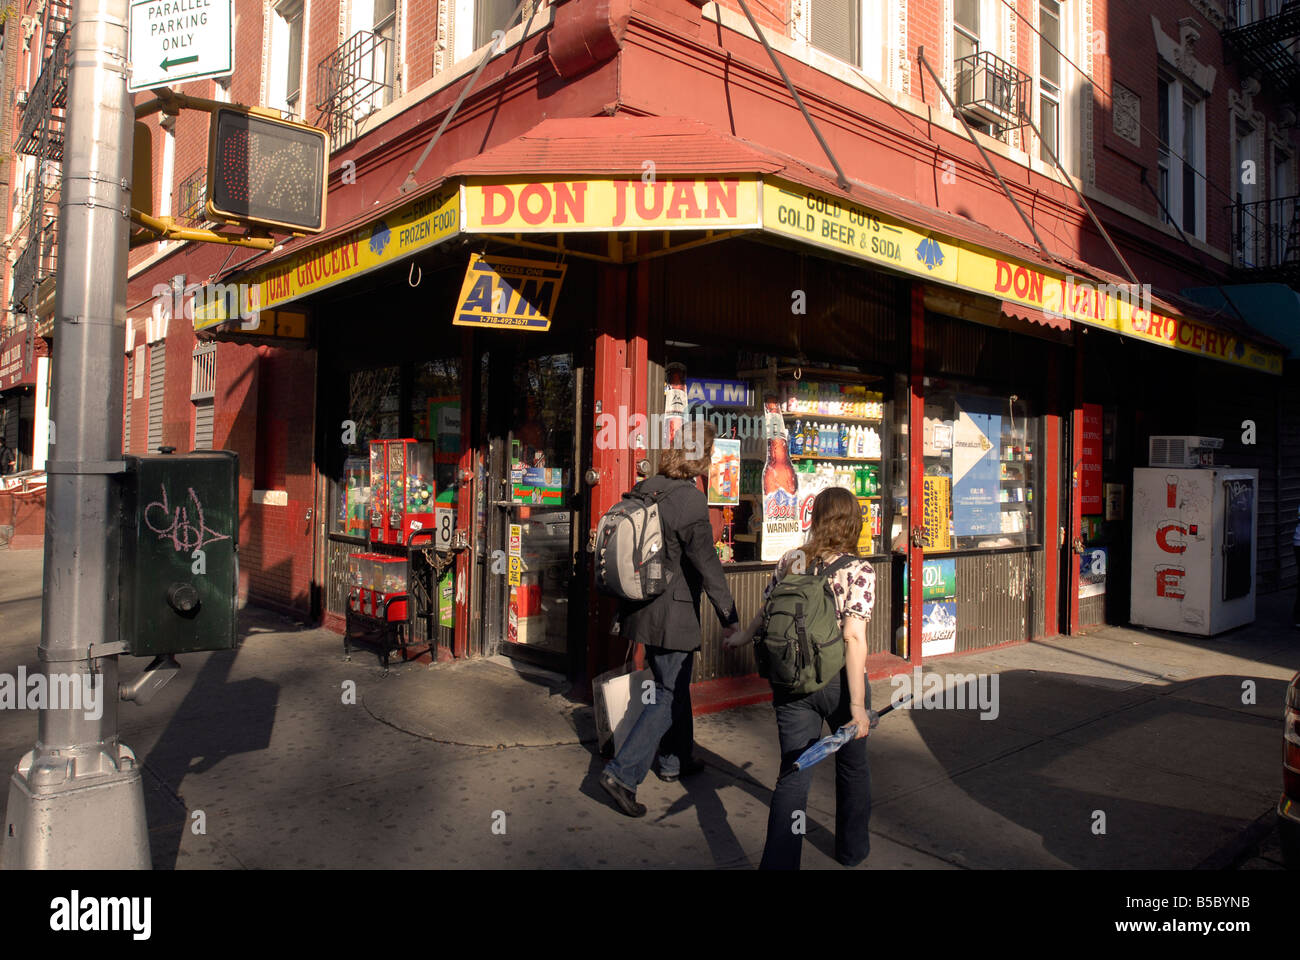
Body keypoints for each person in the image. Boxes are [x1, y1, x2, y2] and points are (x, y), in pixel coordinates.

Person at [725, 485, 876, 869]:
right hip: (840, 682)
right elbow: (853, 636)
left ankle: (779, 863)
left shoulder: (790, 561)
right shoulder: (859, 570)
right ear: (852, 523)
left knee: (794, 772)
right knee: (852, 768)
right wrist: (857, 708)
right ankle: (851, 850)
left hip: (791, 683)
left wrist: (742, 636)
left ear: (816, 519)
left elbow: (767, 611)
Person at [599, 419, 740, 817]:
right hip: (674, 613)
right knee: (667, 692)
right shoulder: (692, 501)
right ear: (703, 457)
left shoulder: (649, 485)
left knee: (673, 685)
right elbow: (708, 565)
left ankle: (674, 760)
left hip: (641, 604)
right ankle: (622, 775)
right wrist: (730, 617)